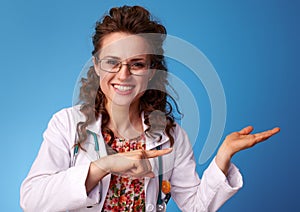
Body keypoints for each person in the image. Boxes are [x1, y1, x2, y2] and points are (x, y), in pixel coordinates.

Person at [20, 5, 280, 212]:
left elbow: (197, 207)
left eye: (137, 64)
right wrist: (104, 166)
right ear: (97, 66)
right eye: (112, 62)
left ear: (151, 71)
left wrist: (222, 157)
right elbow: (31, 200)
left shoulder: (171, 136)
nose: (123, 75)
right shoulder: (66, 124)